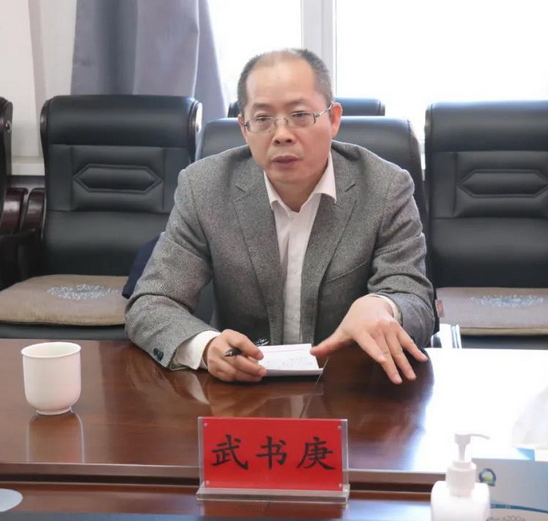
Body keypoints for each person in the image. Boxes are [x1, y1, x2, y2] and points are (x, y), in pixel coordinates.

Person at [125, 48, 435, 384]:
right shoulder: (204, 188)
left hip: (349, 387)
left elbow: (415, 300)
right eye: (262, 119)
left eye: (300, 115)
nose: (282, 134)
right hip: (242, 390)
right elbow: (152, 303)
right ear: (244, 128)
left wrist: (384, 306)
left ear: (333, 119)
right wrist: (206, 346)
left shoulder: (385, 187)